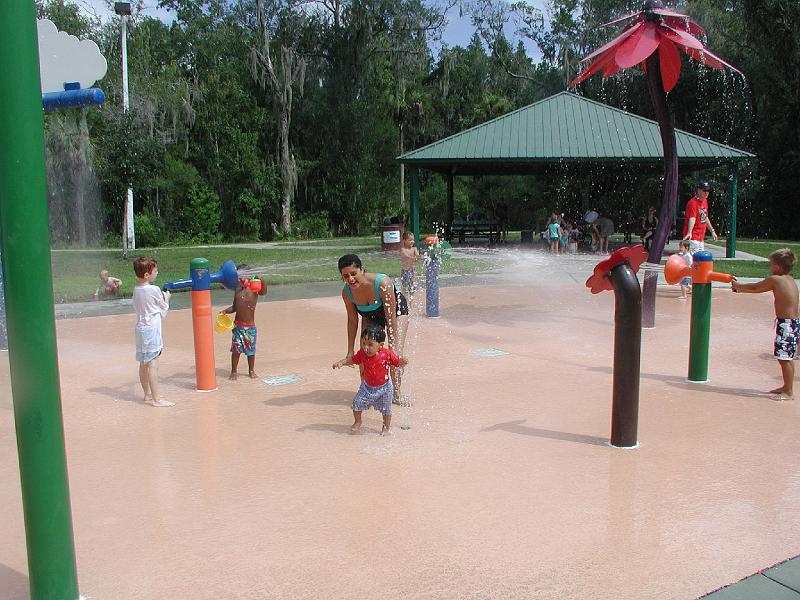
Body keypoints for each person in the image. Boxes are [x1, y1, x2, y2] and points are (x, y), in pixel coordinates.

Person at [337, 254, 409, 403]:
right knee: (365, 353)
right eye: (345, 276)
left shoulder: (383, 283)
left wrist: (393, 346)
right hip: (370, 315)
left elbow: (391, 318)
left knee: (395, 355)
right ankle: (369, 391)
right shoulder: (347, 292)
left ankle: (396, 393)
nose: (350, 279)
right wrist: (350, 352)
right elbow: (352, 321)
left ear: (362, 269)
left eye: (353, 273)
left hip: (395, 312)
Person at [732, 248, 800, 400]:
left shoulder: (775, 279)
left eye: (771, 264)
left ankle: (789, 392)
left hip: (787, 325)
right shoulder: (789, 279)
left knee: (784, 358)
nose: (770, 267)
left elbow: (756, 287)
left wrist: (738, 286)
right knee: (784, 357)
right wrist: (740, 290)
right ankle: (786, 386)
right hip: (792, 323)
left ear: (777, 267)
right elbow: (758, 289)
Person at [333, 325, 408, 435]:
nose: (365, 347)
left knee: (386, 410)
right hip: (367, 387)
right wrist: (342, 362)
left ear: (380, 345)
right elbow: (352, 360)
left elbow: (397, 363)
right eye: (363, 343)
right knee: (356, 404)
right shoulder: (362, 354)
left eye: (370, 344)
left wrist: (402, 362)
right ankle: (358, 421)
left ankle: (386, 428)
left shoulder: (387, 354)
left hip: (385, 388)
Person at [132, 256, 173, 407]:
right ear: (147, 275)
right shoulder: (154, 289)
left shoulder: (136, 289)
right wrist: (167, 297)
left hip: (140, 329)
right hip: (152, 330)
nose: (157, 272)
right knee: (153, 364)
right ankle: (157, 399)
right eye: (155, 270)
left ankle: (147, 394)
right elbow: (163, 309)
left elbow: (139, 306)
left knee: (143, 363)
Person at [219, 270, 268, 380]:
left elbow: (264, 292)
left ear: (249, 277)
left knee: (251, 351)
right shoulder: (237, 289)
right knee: (236, 351)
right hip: (238, 326)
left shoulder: (254, 289)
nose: (240, 279)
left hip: (250, 327)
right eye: (238, 277)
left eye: (242, 277)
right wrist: (225, 311)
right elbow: (235, 307)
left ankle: (251, 370)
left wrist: (262, 280)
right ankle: (234, 371)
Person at [683, 181, 718, 253]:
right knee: (693, 261)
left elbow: (705, 217)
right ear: (699, 190)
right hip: (693, 238)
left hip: (700, 239)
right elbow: (692, 218)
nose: (706, 193)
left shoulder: (705, 201)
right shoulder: (692, 203)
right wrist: (689, 232)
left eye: (708, 190)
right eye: (704, 190)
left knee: (700, 262)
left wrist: (712, 231)